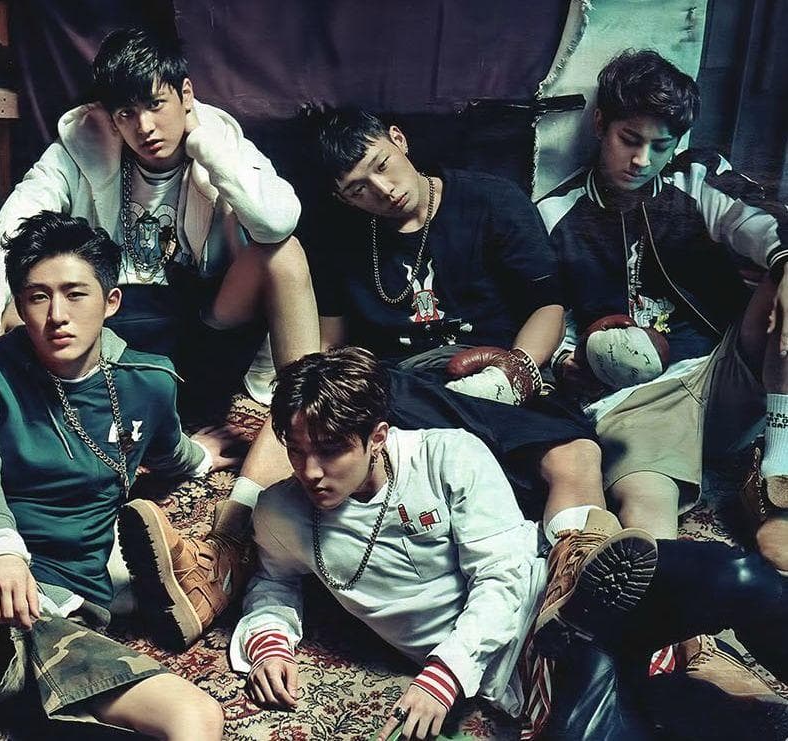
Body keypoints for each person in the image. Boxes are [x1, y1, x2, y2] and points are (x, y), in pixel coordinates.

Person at [0, 27, 324, 648]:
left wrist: (205, 144)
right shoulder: (80, 145)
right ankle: (48, 466)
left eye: (157, 104)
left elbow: (277, 218)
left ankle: (290, 445)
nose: (145, 127)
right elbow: (9, 234)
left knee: (284, 254)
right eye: (126, 113)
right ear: (108, 115)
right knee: (26, 300)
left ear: (186, 95)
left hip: (201, 329)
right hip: (113, 340)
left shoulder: (217, 137)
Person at [233, 347, 788, 740]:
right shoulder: (283, 511)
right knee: (639, 711)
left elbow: (502, 574)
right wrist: (270, 643)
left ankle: (598, 588)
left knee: (739, 577)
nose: (310, 471)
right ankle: (677, 686)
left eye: (331, 450)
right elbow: (273, 582)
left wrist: (444, 674)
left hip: (548, 596)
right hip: (530, 665)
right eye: (296, 450)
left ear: (377, 436)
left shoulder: (448, 455)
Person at [0, 212, 233, 740]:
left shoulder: (149, 380)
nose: (57, 316)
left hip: (63, 617)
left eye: (75, 294)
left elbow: (168, 450)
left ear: (110, 302)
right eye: (38, 297)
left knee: (197, 718)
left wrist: (201, 457)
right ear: (18, 305)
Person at [305, 106, 621, 569]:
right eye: (358, 189)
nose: (383, 189)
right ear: (343, 198)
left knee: (577, 454)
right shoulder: (338, 237)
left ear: (399, 139)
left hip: (497, 372)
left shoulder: (491, 200)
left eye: (382, 165)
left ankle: (576, 575)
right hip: (404, 389)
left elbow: (548, 306)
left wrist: (516, 369)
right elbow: (331, 346)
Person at [537, 49, 788, 569]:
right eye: (629, 140)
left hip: (724, 371)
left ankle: (778, 478)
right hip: (636, 400)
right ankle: (670, 609)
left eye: (660, 146)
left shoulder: (695, 179)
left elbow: (764, 226)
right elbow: (544, 307)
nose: (642, 160)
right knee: (647, 520)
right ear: (601, 124)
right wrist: (565, 359)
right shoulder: (555, 212)